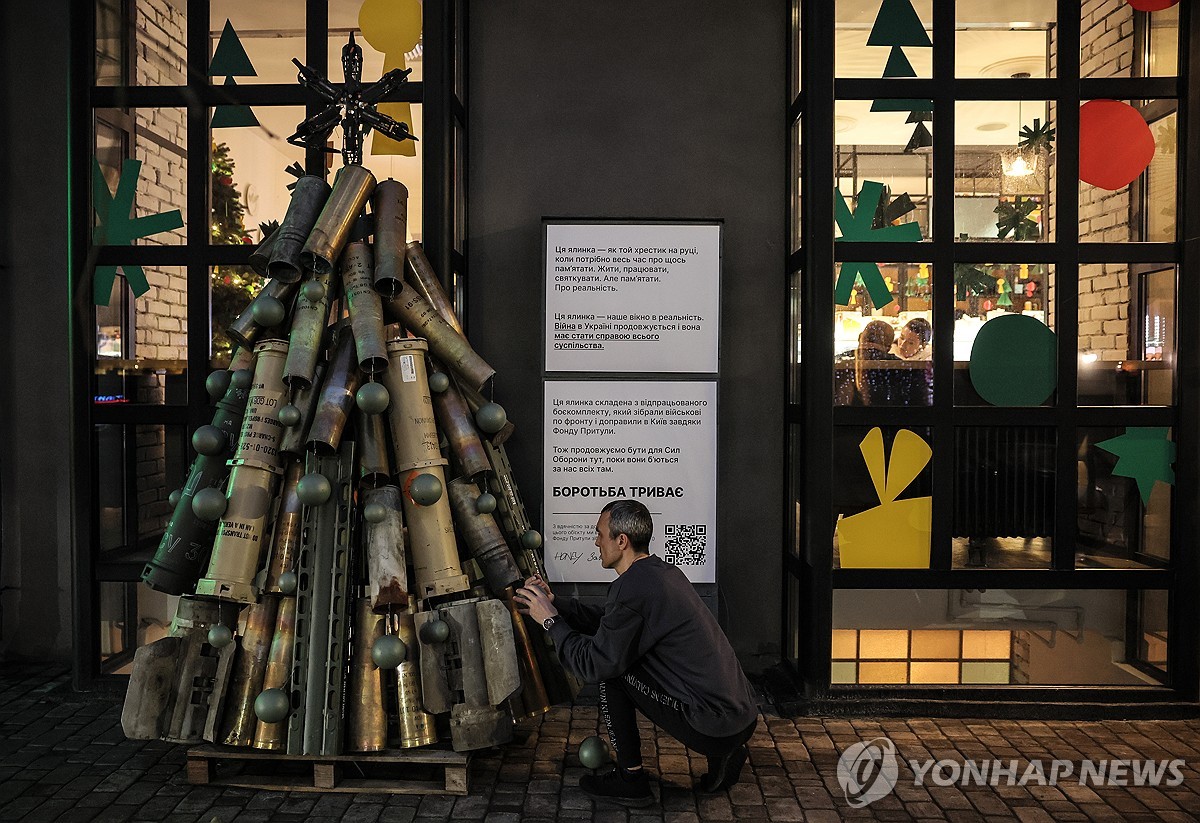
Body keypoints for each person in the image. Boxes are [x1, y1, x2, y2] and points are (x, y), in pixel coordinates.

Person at [514, 500, 759, 806]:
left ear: (621, 541)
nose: (596, 541)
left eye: (600, 534)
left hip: (713, 725)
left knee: (614, 673)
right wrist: (555, 603)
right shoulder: (660, 572)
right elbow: (612, 621)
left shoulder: (634, 587)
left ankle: (631, 780)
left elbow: (594, 664)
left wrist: (550, 621)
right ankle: (726, 752)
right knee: (619, 656)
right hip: (741, 717)